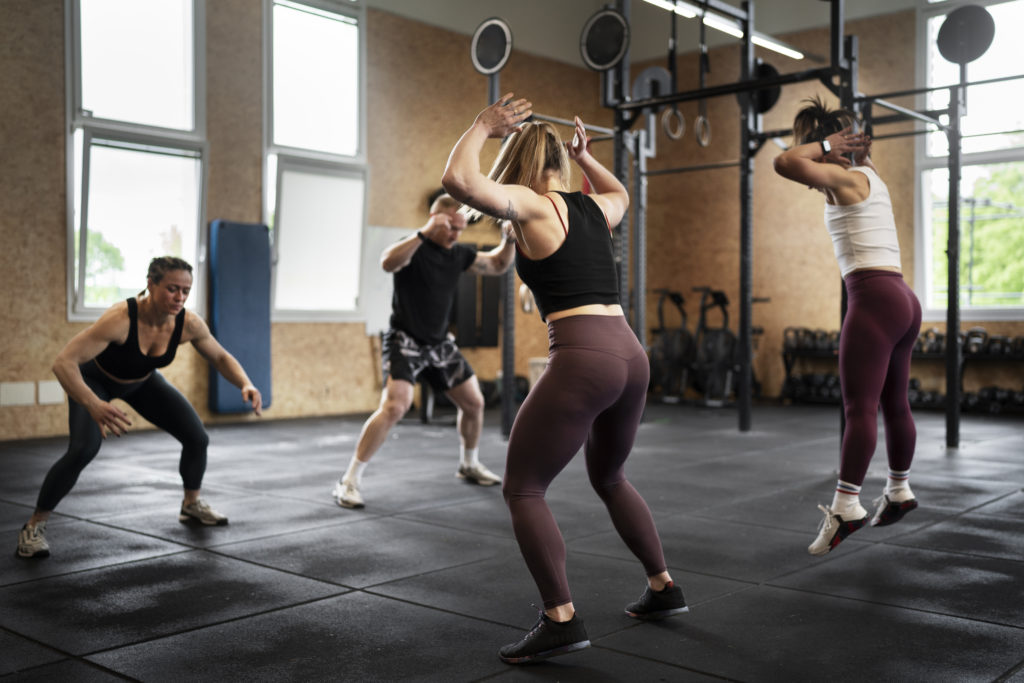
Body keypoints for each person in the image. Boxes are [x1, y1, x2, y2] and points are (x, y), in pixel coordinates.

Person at [442, 95, 688, 665]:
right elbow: (622, 195)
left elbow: (457, 178)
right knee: (611, 476)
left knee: (523, 488)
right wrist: (587, 159)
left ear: (523, 161)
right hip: (631, 355)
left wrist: (482, 124)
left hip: (585, 357)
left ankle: (560, 619)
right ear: (561, 160)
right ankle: (663, 586)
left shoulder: (529, 203)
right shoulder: (593, 207)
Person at [16, 256, 263, 559]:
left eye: (186, 290)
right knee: (83, 449)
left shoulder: (188, 323)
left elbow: (221, 357)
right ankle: (34, 526)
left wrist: (245, 383)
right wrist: (93, 403)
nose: (180, 297)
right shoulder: (120, 319)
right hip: (97, 383)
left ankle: (191, 505)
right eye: (172, 289)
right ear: (151, 283)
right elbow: (63, 363)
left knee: (197, 437)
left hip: (142, 383)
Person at [773, 96, 922, 556]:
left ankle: (846, 506)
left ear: (832, 147)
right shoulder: (870, 176)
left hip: (874, 300)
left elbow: (783, 162)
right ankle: (898, 490)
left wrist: (824, 144)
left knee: (859, 408)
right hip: (903, 300)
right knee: (894, 403)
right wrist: (848, 140)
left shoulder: (842, 177)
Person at [332, 193, 515, 509]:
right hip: (405, 340)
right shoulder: (412, 247)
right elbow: (388, 261)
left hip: (439, 344)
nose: (457, 234)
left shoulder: (458, 254)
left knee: (474, 403)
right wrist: (423, 233)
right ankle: (348, 480)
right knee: (395, 407)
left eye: (461, 228)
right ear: (435, 219)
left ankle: (468, 463)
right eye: (451, 227)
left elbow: (497, 264)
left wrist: (508, 240)